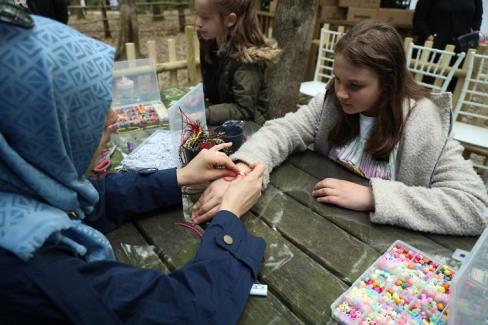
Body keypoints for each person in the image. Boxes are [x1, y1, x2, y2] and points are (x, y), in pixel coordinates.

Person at [0, 15, 267, 324]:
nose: (113, 117)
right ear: (41, 128)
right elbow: (189, 311)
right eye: (88, 108)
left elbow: (93, 198)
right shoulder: (33, 272)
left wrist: (181, 177)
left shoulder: (19, 191)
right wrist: (230, 214)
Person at [191, 20, 488, 236]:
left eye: (355, 85)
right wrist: (242, 172)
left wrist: (374, 196)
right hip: (322, 234)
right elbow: (282, 130)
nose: (341, 92)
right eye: (337, 79)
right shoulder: (331, 102)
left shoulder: (424, 126)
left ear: (388, 83)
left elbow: (475, 208)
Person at [195, 0, 280, 125]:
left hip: (250, 131)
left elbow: (243, 110)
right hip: (224, 124)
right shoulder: (210, 44)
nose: (198, 23)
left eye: (205, 18)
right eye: (197, 15)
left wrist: (205, 114)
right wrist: (196, 97)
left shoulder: (247, 60)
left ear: (229, 20)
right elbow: (213, 84)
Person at [413, 0, 483, 51]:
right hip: (432, 47)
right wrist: (429, 37)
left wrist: (474, 37)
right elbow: (418, 18)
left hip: (461, 48)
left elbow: (477, 17)